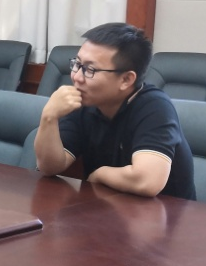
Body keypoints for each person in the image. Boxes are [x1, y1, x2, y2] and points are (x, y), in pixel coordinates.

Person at [33, 22, 195, 199]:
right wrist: (49, 117)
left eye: (90, 69)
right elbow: (49, 167)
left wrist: (100, 174)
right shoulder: (83, 100)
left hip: (164, 214)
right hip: (104, 207)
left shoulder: (155, 107)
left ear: (126, 79)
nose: (77, 77)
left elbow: (147, 181)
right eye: (77, 64)